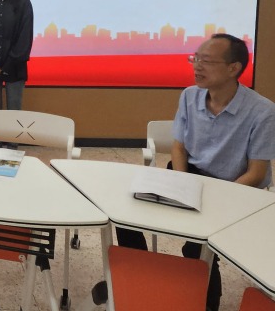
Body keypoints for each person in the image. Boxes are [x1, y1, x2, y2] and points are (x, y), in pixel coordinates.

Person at [107, 34, 275, 311]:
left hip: (235, 187)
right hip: (190, 175)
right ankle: (140, 277)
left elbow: (256, 174)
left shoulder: (262, 112)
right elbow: (179, 148)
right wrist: (183, 184)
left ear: (233, 68)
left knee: (198, 247)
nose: (197, 66)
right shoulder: (189, 95)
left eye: (206, 61)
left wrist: (216, 199)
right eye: (195, 58)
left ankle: (205, 304)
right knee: (125, 216)